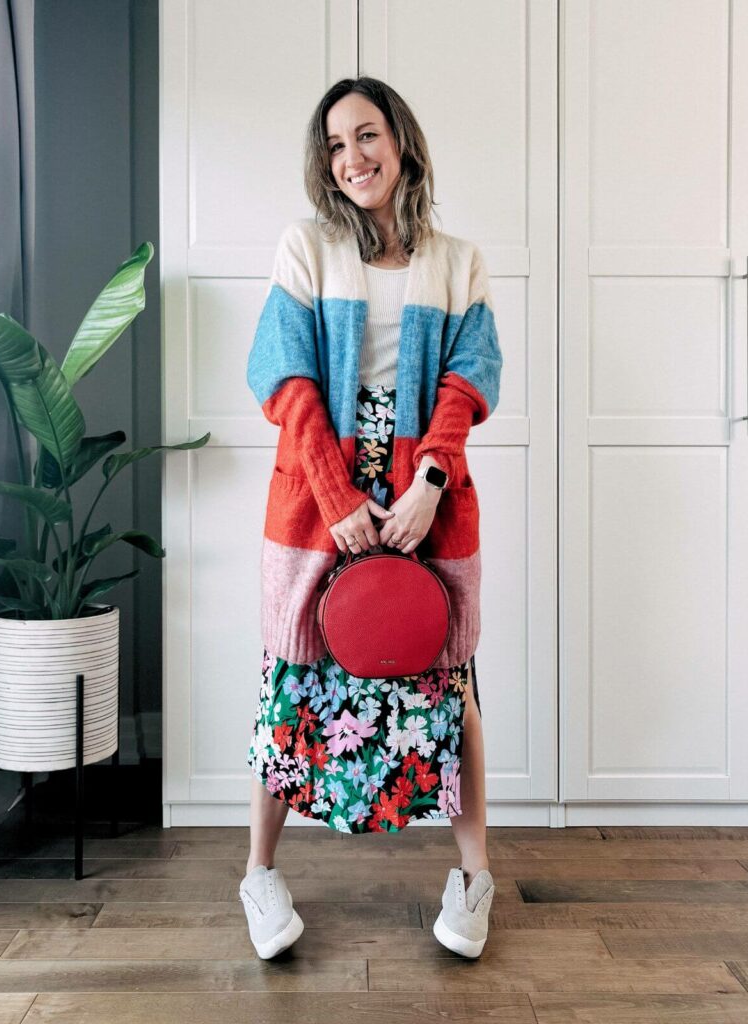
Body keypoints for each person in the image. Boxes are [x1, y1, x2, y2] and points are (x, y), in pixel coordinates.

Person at [240, 76, 502, 960]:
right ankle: (259, 873)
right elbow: (284, 378)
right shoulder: (305, 248)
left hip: (429, 485)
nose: (352, 157)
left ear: (402, 141)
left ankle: (474, 879)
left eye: (367, 135)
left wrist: (429, 482)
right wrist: (337, 493)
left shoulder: (457, 259)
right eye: (336, 144)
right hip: (320, 495)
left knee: (450, 676)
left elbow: (470, 380)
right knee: (291, 673)